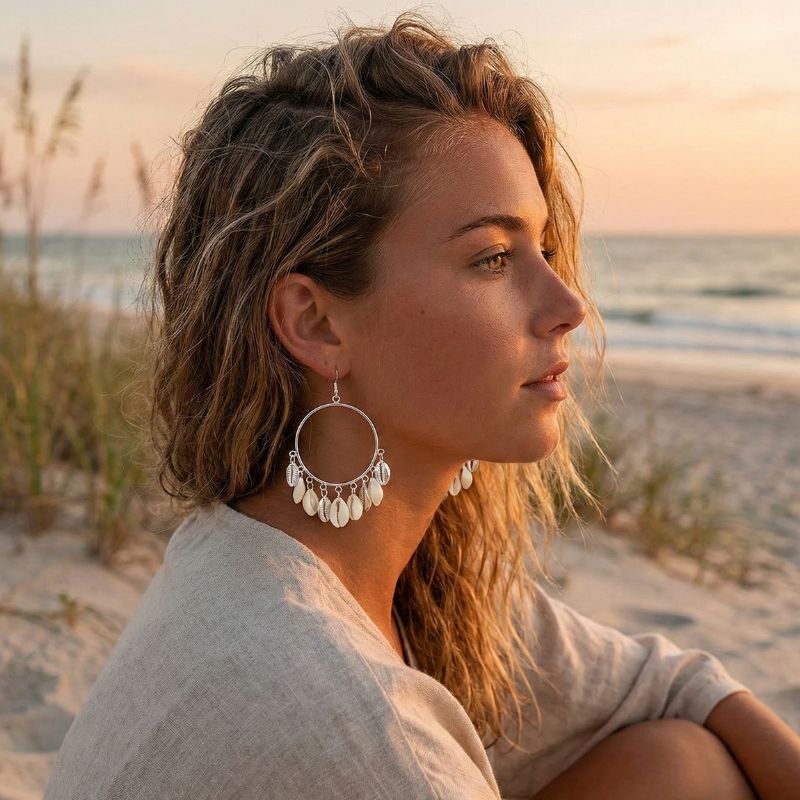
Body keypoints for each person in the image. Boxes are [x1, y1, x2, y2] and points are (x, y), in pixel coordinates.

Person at [44, 10, 799, 800]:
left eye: (542, 247)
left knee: (678, 760)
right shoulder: (361, 733)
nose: (567, 302)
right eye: (493, 257)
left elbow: (677, 685)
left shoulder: (307, 561)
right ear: (316, 322)